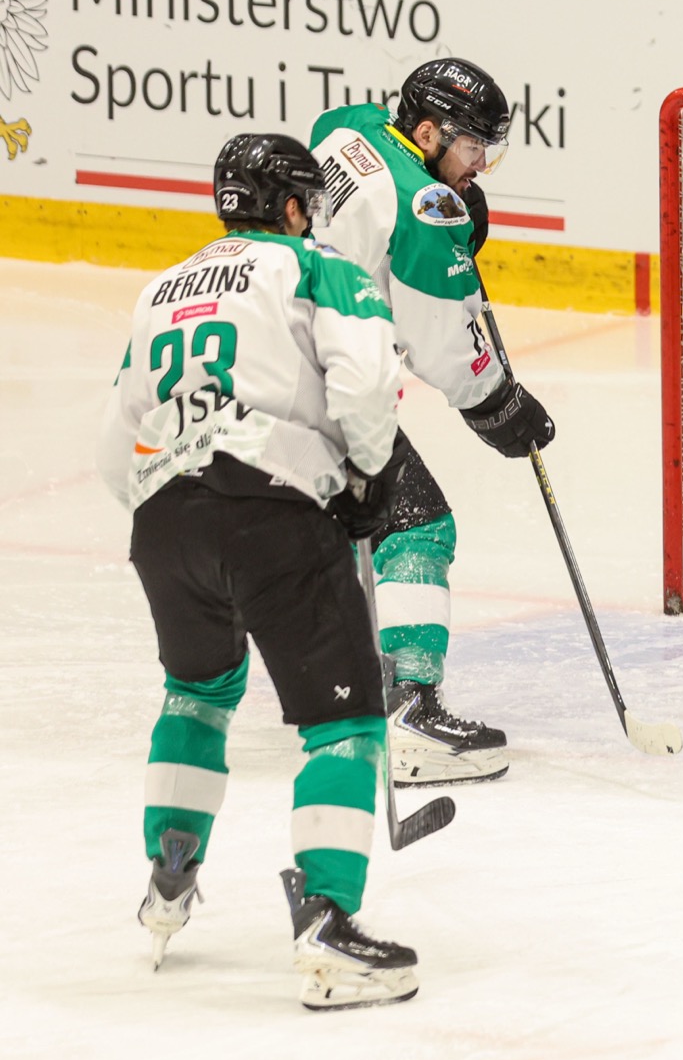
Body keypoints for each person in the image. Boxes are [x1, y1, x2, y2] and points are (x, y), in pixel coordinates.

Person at [100, 133, 420, 1009]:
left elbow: (114, 443)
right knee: (343, 725)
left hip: (163, 520)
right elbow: (364, 384)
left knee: (196, 693)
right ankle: (328, 924)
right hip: (271, 508)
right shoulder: (319, 268)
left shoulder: (161, 288)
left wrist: (179, 510)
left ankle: (169, 879)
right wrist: (366, 480)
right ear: (289, 205)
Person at [310, 58, 552, 786]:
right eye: (474, 148)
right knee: (415, 525)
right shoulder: (423, 207)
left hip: (267, 362)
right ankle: (410, 711)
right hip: (324, 384)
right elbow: (443, 342)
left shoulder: (350, 127)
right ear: (426, 132)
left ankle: (338, 681)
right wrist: (499, 404)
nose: (480, 166)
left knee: (333, 530)